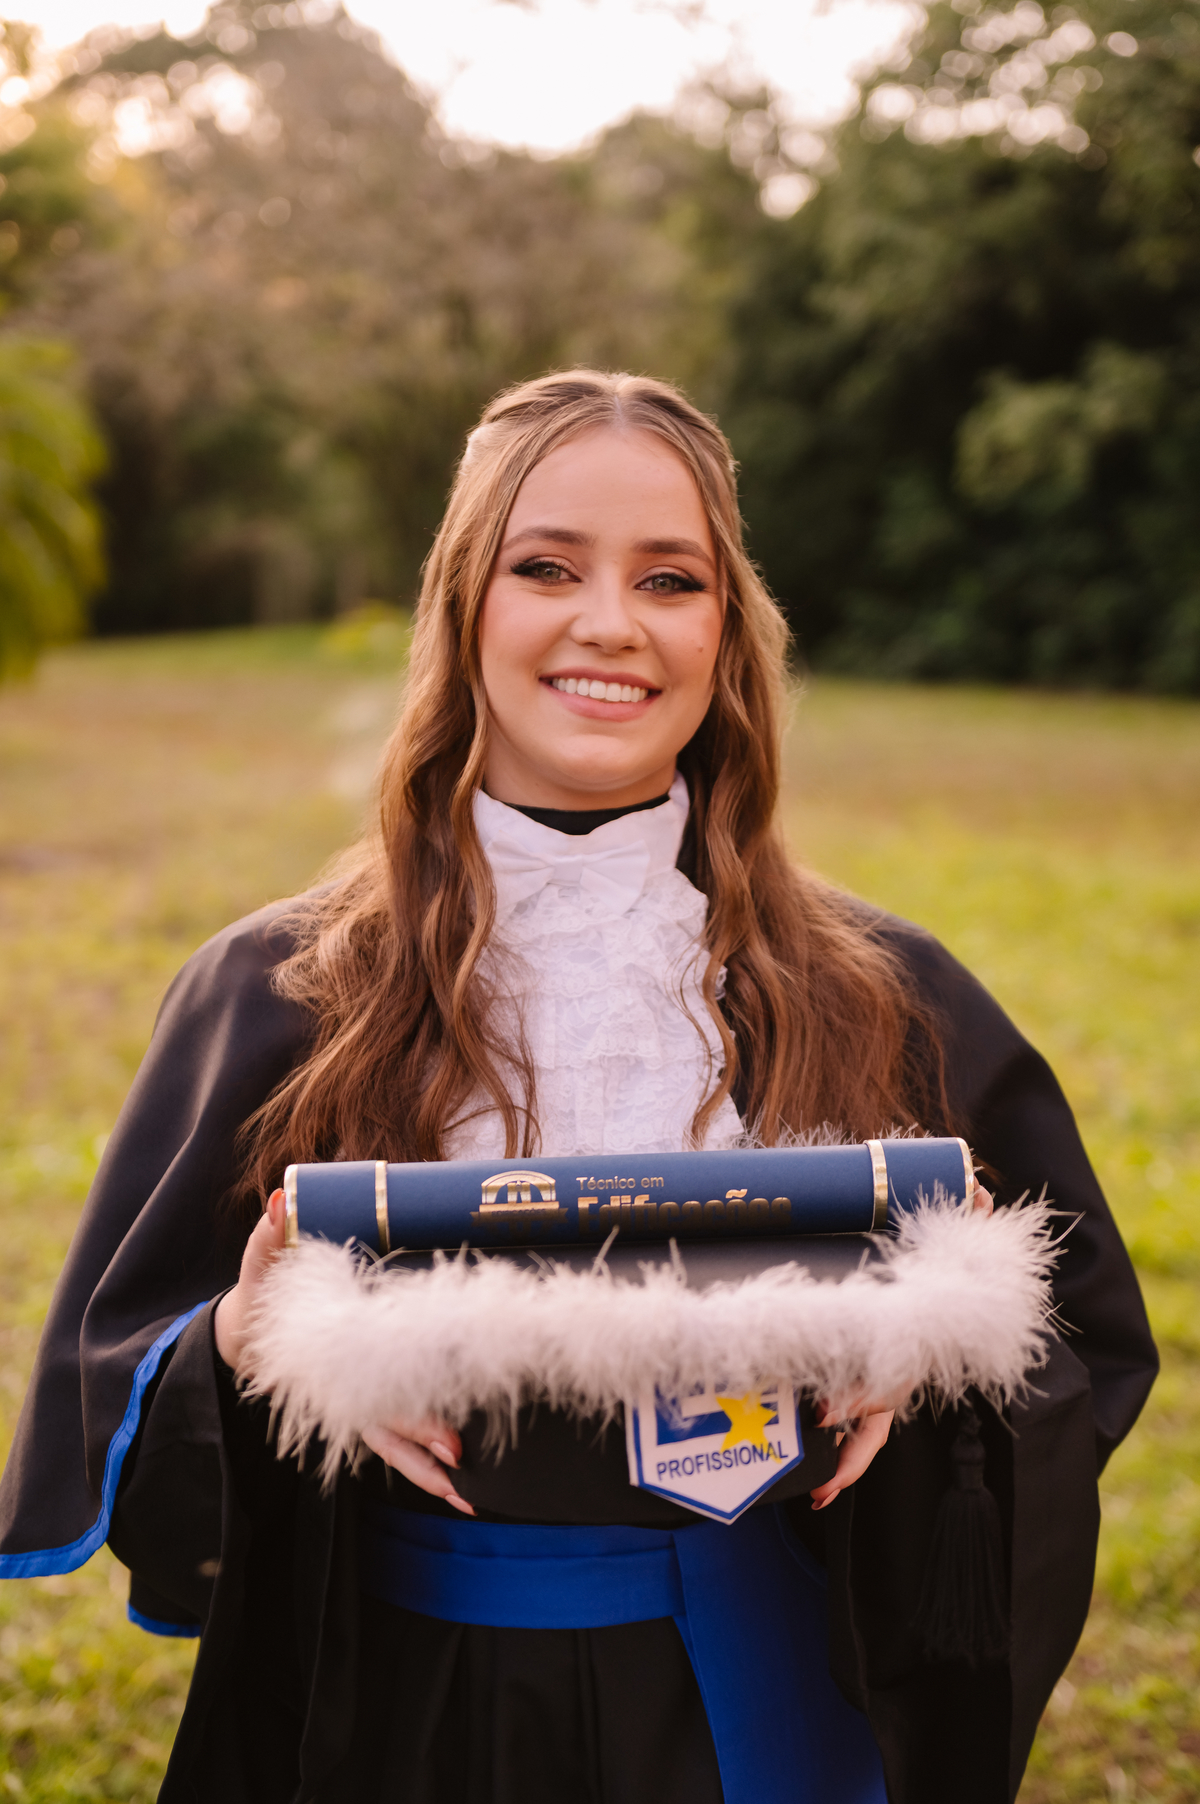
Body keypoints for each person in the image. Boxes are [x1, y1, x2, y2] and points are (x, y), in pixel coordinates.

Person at [0, 371, 1156, 1803]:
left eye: (670, 579)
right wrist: (256, 1339)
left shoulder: (887, 994)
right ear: (461, 606)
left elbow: (1072, 1351)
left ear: (724, 631)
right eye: (546, 566)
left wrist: (941, 1346)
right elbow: (132, 1396)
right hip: (399, 1702)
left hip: (757, 1699)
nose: (610, 623)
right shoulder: (278, 990)